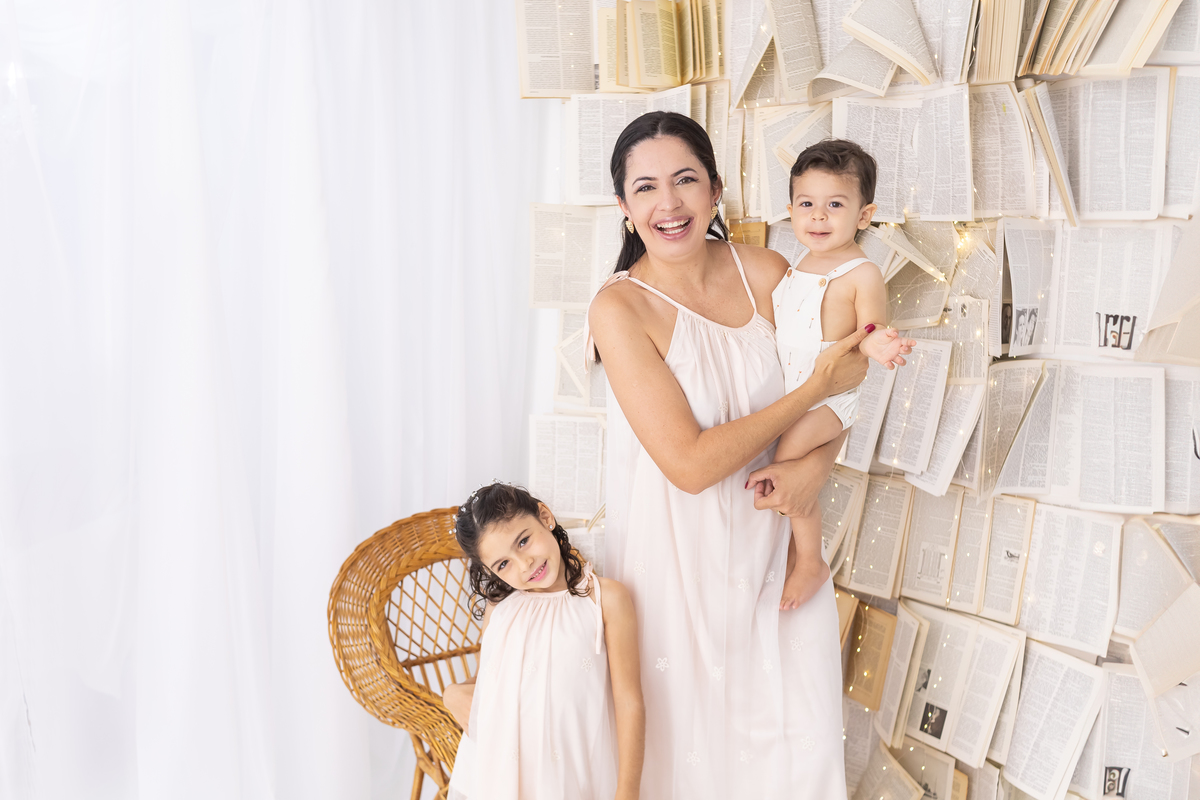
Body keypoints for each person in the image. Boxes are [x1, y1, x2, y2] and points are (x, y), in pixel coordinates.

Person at [587, 111, 914, 798]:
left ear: (715, 189)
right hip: (677, 565)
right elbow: (692, 464)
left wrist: (811, 470)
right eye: (645, 188)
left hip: (779, 557)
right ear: (624, 208)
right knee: (694, 758)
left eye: (685, 180)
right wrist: (814, 391)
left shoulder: (769, 272)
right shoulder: (620, 310)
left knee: (794, 751)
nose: (668, 203)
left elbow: (841, 391)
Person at [771, 139, 911, 610]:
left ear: (864, 215)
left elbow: (869, 330)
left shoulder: (861, 272)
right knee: (777, 452)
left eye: (835, 205)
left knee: (787, 457)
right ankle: (787, 551)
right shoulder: (797, 265)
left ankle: (808, 558)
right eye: (807, 205)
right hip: (795, 388)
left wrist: (881, 344)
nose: (818, 217)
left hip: (830, 400)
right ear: (790, 209)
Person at [441, 483, 645, 800]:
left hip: (574, 772)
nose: (525, 565)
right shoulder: (501, 609)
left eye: (523, 541)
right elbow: (486, 682)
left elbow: (629, 702)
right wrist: (452, 693)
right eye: (503, 564)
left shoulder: (606, 599)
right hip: (504, 779)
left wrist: (627, 793)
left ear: (545, 517)